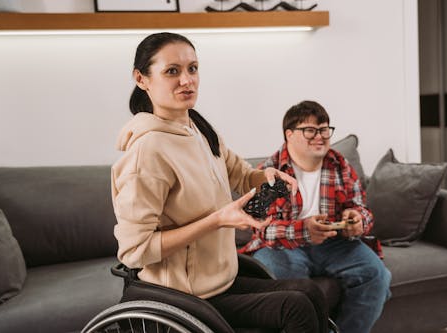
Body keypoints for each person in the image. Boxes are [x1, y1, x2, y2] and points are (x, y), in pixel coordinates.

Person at [111, 32, 330, 333]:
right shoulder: (148, 152)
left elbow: (239, 173)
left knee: (309, 292)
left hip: (220, 280)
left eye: (193, 68)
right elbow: (134, 251)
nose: (187, 80)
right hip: (183, 296)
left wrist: (266, 176)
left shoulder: (197, 128)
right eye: (172, 71)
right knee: (296, 308)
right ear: (142, 78)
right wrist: (217, 220)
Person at [239, 100, 392, 333]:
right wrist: (304, 230)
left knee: (376, 276)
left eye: (324, 129)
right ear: (289, 135)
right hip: (282, 247)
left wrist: (357, 221)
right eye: (310, 130)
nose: (320, 136)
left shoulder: (339, 164)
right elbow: (262, 228)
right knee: (287, 289)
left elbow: (362, 209)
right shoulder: (270, 170)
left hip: (335, 243)